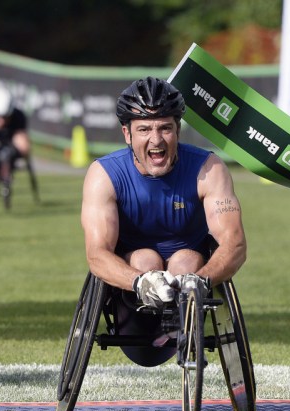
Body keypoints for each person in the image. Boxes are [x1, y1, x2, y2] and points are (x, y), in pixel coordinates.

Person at [81, 77, 247, 363]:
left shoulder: (208, 169)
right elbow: (97, 255)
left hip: (189, 276)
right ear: (127, 134)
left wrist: (201, 281)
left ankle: (180, 321)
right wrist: (140, 282)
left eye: (165, 128)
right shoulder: (104, 174)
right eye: (144, 129)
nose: (156, 140)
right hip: (130, 292)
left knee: (185, 261)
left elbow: (234, 243)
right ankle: (152, 296)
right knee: (146, 259)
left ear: (177, 130)